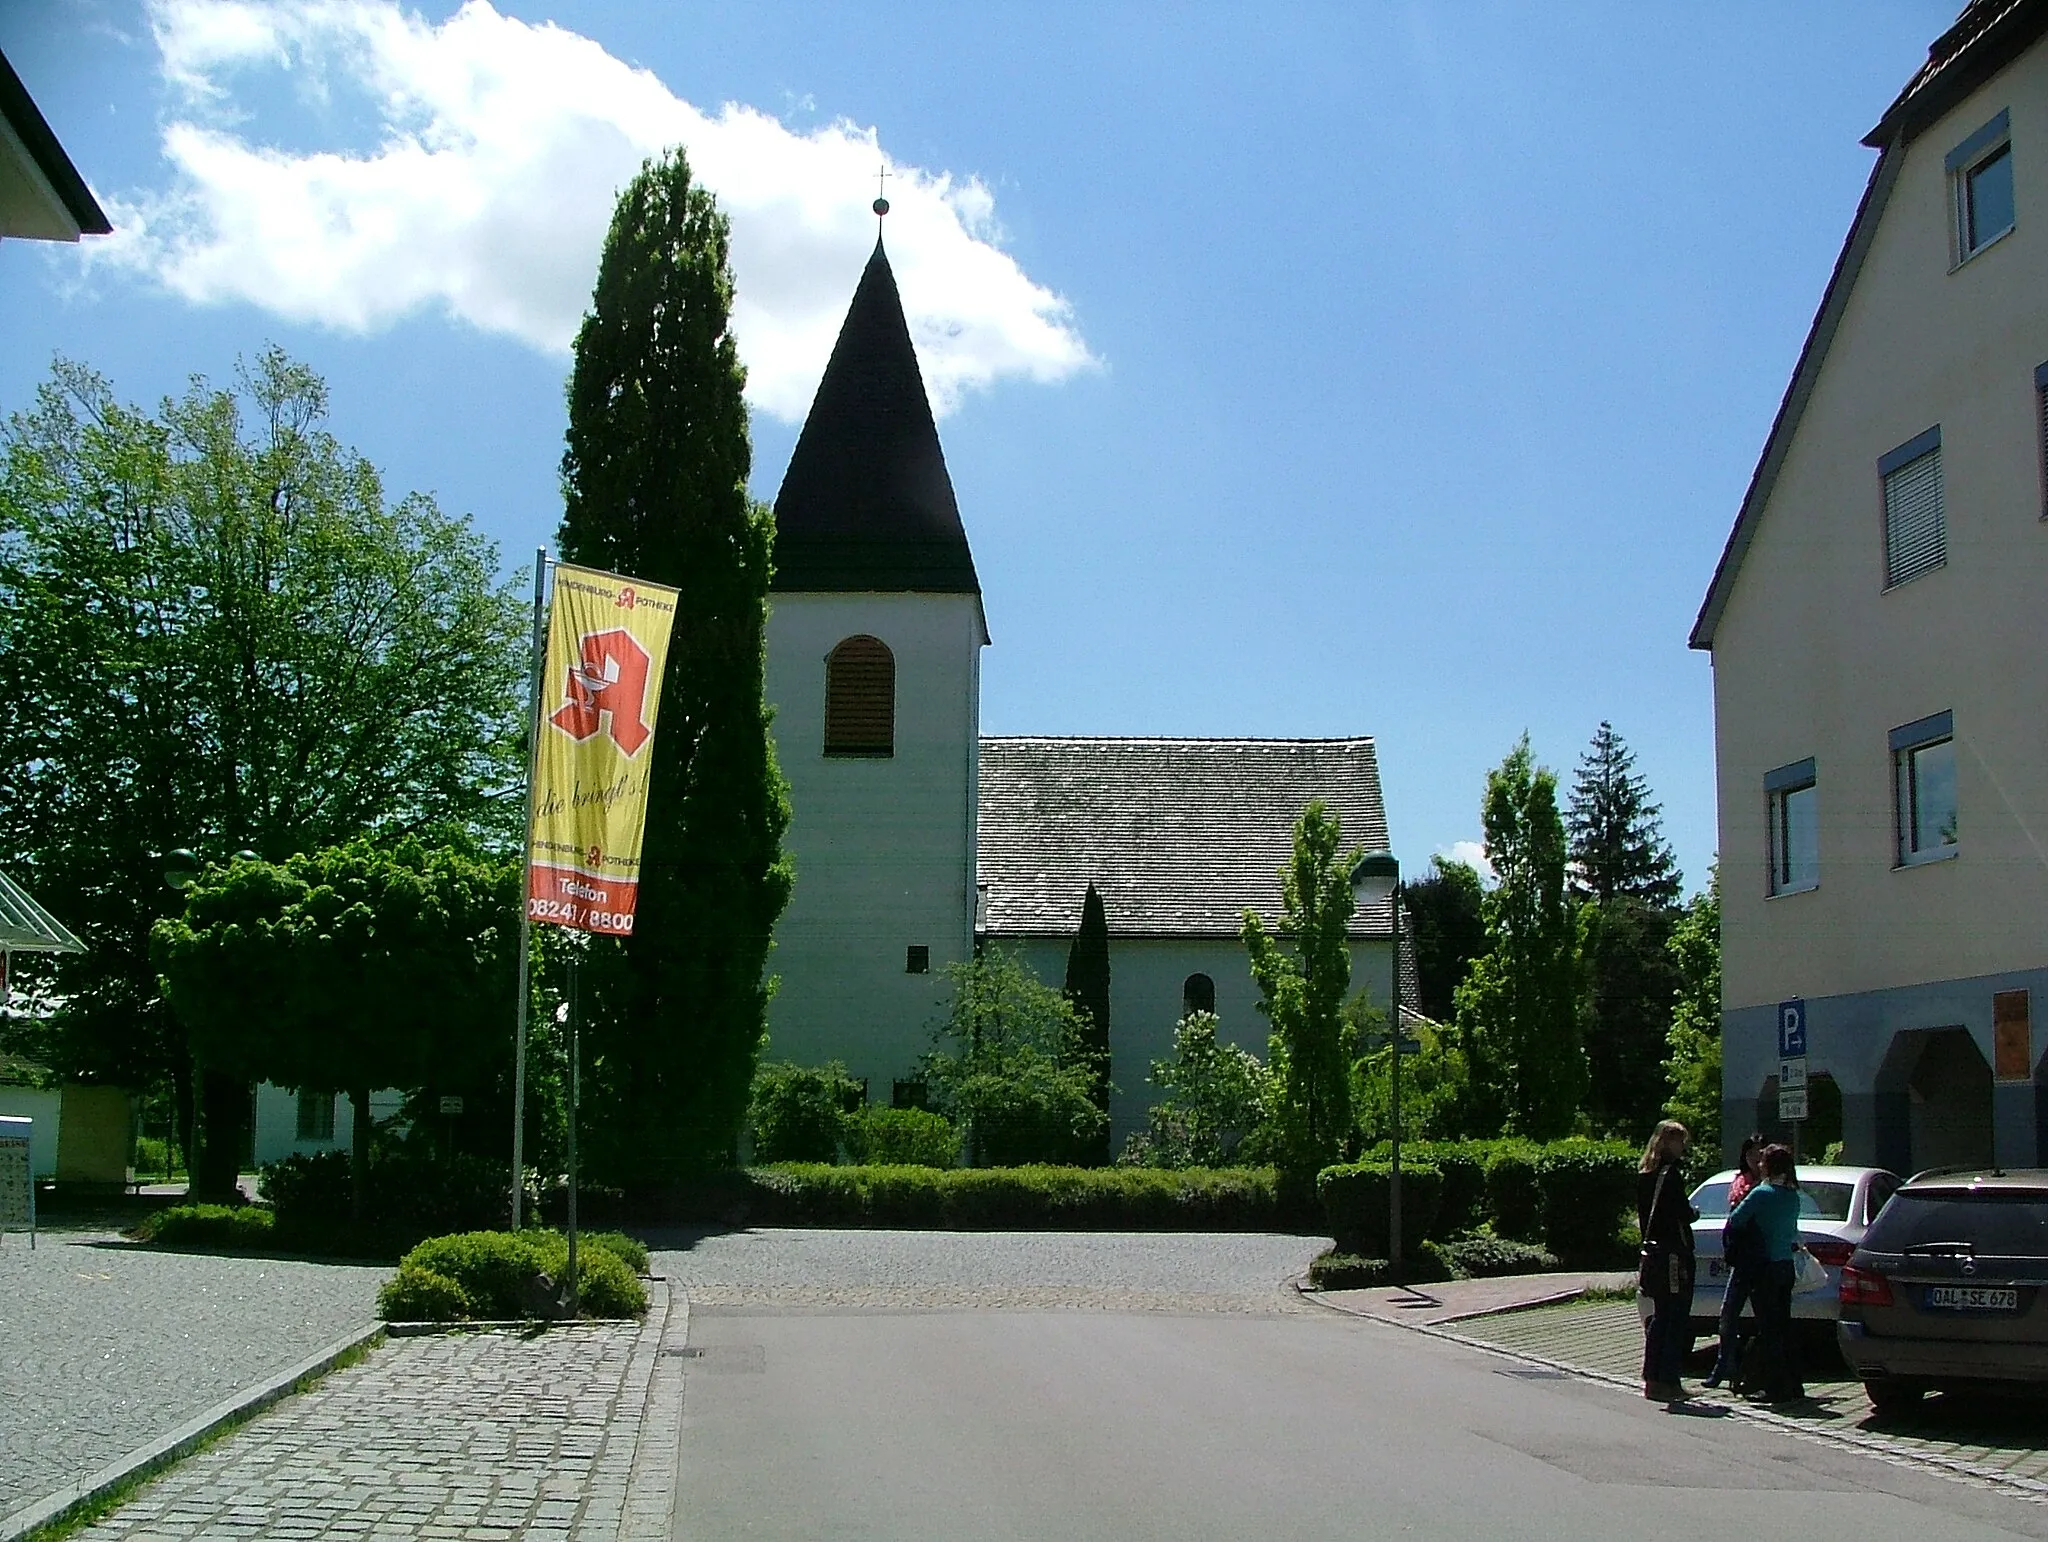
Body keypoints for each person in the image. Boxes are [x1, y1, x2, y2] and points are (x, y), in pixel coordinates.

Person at [1725, 1143, 1805, 1404]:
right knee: (1784, 1327)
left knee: (1768, 1329)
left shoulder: (1762, 1193)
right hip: (1786, 1265)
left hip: (1765, 1266)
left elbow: (1736, 1220)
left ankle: (1774, 1387)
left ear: (1767, 1166)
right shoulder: (1793, 1196)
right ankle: (1794, 1384)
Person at [1637, 1119, 1697, 1401]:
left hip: (1654, 1252)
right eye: (1680, 1141)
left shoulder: (1645, 1174)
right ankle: (1668, 1379)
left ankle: (1652, 1376)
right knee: (1674, 1317)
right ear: (1667, 1142)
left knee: (1660, 1316)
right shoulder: (1669, 1175)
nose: (1683, 1147)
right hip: (1673, 1252)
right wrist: (1693, 1213)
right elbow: (1680, 1212)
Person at [1704, 1134, 1768, 1390]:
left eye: (1759, 1153)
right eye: (1751, 1153)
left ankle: (1756, 1370)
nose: (1755, 1158)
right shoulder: (1739, 1183)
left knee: (1765, 1316)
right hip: (1742, 1258)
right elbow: (1736, 1219)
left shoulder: (1770, 1185)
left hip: (1765, 1259)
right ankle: (1724, 1365)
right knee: (1728, 1315)